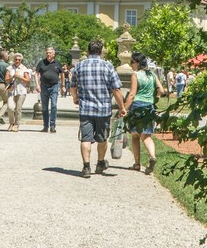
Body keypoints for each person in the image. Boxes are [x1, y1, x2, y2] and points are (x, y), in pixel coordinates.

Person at [70, 39, 127, 178]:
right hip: (103, 109)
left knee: (86, 138)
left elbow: (72, 86)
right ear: (101, 51)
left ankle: (86, 167)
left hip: (86, 109)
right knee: (102, 138)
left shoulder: (79, 66)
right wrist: (122, 107)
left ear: (88, 51)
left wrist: (75, 98)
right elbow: (116, 90)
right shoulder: (108, 66)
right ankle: (100, 162)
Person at [125, 51, 159, 173]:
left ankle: (137, 163)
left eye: (132, 62)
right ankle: (152, 156)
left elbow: (132, 93)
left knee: (135, 135)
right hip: (149, 106)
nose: (131, 65)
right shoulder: (152, 74)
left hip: (137, 106)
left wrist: (124, 108)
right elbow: (161, 90)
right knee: (146, 135)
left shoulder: (135, 75)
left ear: (137, 63)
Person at [35, 47, 64, 133]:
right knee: (44, 108)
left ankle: (52, 126)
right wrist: (37, 85)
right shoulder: (41, 63)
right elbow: (36, 74)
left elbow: (62, 74)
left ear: (53, 54)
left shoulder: (57, 63)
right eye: (47, 53)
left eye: (50, 53)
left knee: (54, 106)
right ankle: (45, 126)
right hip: (44, 87)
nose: (48, 54)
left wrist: (63, 85)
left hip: (54, 86)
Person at [5, 52, 32, 132]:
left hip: (21, 91)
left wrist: (20, 77)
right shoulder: (9, 68)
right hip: (11, 90)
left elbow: (28, 81)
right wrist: (12, 77)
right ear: (14, 60)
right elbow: (6, 79)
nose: (17, 61)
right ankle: (11, 123)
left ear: (21, 61)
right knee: (10, 107)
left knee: (18, 109)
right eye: (16, 59)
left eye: (19, 60)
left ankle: (16, 125)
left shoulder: (24, 69)